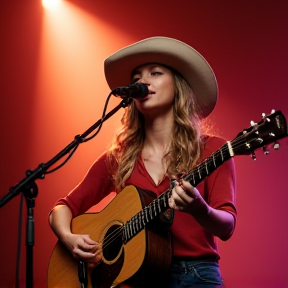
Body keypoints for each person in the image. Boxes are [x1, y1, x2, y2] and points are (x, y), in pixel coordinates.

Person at [49, 36, 236, 288]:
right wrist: (69, 238)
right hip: (133, 280)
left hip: (196, 276)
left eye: (155, 73)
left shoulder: (213, 150)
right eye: (136, 78)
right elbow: (62, 207)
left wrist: (199, 209)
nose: (142, 82)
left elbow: (227, 227)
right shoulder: (119, 158)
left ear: (178, 86)